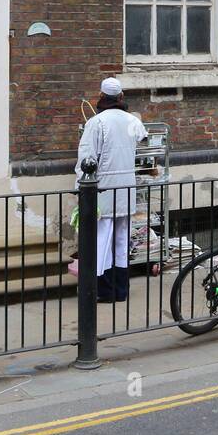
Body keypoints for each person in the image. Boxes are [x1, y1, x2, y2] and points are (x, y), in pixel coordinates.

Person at [76, 77, 147, 302]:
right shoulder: (132, 121)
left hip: (103, 190)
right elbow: (143, 142)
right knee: (121, 239)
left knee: (102, 239)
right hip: (126, 189)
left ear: (101, 96)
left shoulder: (96, 123)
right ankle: (120, 289)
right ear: (121, 97)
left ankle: (103, 290)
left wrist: (80, 188)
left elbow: (86, 160)